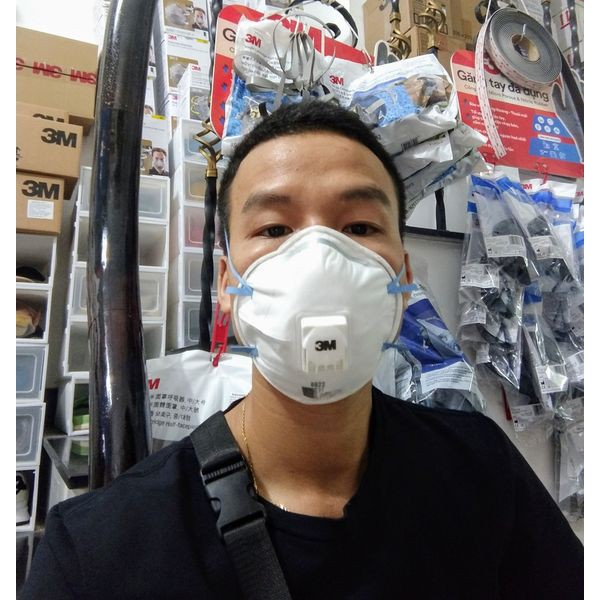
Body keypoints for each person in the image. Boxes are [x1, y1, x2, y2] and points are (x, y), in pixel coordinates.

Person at [21, 101, 583, 599]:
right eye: (273, 229)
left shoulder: (481, 472)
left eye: (358, 227)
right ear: (227, 287)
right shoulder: (96, 554)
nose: (320, 258)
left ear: (403, 278)